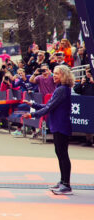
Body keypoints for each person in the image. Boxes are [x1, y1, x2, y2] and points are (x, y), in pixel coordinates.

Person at [22, 65, 74, 195]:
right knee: (60, 154)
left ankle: (66, 184)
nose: (54, 76)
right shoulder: (61, 89)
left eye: (57, 74)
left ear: (64, 76)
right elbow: (49, 105)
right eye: (54, 73)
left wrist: (32, 114)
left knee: (63, 155)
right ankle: (63, 182)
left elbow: (48, 108)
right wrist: (33, 104)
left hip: (61, 125)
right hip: (58, 124)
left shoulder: (62, 89)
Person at [73, 67, 94, 146]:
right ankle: (89, 140)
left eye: (89, 72)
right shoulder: (84, 80)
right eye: (86, 72)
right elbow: (76, 90)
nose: (88, 74)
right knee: (87, 122)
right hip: (86, 105)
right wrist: (81, 84)